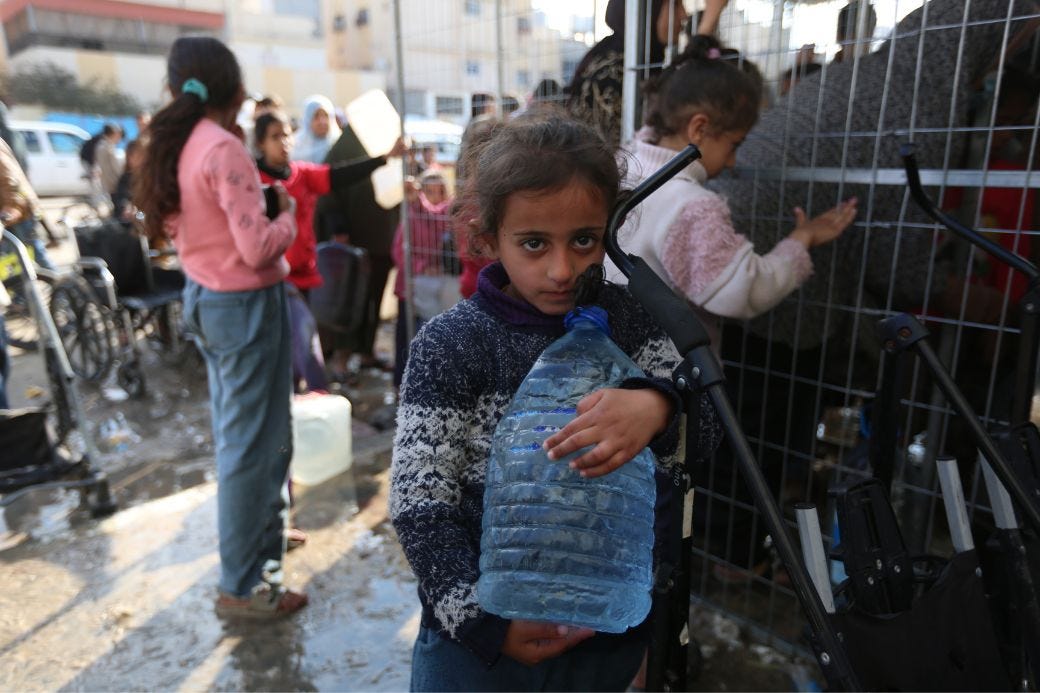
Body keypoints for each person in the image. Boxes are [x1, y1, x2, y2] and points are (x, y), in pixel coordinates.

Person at [390, 113, 718, 691]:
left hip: (602, 629)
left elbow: (708, 434)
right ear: (489, 237)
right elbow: (420, 502)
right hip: (478, 649)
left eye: (584, 240)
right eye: (534, 243)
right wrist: (481, 621)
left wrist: (661, 408)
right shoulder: (453, 345)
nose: (562, 270)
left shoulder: (635, 325)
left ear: (611, 228)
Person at [133, 35, 307, 618]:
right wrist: (288, 217)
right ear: (233, 88)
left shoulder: (178, 144)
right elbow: (257, 248)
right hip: (245, 306)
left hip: (207, 298)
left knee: (254, 435)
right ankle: (241, 585)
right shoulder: (222, 148)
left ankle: (264, 541)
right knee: (251, 447)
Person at [606, 36, 857, 348]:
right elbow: (742, 291)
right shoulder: (689, 206)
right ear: (699, 129)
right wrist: (801, 240)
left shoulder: (622, 165)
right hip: (666, 365)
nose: (732, 162)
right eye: (733, 145)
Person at [254, 110, 405, 392]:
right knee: (294, 341)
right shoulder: (251, 180)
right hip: (271, 278)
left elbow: (340, 175)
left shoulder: (302, 174)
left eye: (286, 135)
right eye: (275, 137)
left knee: (300, 342)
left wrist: (384, 158)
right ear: (261, 143)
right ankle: (306, 393)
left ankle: (299, 395)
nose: (283, 142)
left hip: (303, 274)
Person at [314, 123, 400, 377]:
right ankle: (341, 358)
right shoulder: (344, 148)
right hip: (351, 242)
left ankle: (366, 353)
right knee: (349, 300)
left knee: (374, 297)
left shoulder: (385, 141)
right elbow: (328, 192)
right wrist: (339, 229)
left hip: (381, 237)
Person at [565, 0, 701, 146]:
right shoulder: (614, 71)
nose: (684, 15)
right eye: (675, 5)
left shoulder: (637, 59)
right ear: (647, 11)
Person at [389, 170, 454, 388]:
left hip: (436, 290)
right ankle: (401, 386)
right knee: (405, 339)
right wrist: (423, 267)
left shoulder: (446, 218)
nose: (435, 197)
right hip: (409, 288)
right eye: (429, 192)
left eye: (440, 191)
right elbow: (399, 252)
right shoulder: (410, 216)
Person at [0, 137, 52, 270]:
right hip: (9, 212)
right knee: (12, 260)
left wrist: (12, 206)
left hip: (17, 210)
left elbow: (8, 176)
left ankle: (58, 282)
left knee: (36, 254)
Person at [295, 95, 342, 164]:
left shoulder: (340, 143)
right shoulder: (295, 148)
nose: (322, 121)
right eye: (316, 116)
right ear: (307, 120)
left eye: (326, 115)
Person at [111, 137, 143, 221]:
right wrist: (126, 207)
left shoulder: (153, 177)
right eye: (132, 156)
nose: (135, 160)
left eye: (139, 156)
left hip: (147, 216)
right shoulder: (126, 177)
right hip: (133, 217)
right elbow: (121, 197)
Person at [95, 123, 125, 197]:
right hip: (114, 184)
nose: (120, 138)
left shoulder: (101, 145)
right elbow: (116, 167)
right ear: (114, 133)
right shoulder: (109, 147)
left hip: (106, 184)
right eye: (119, 135)